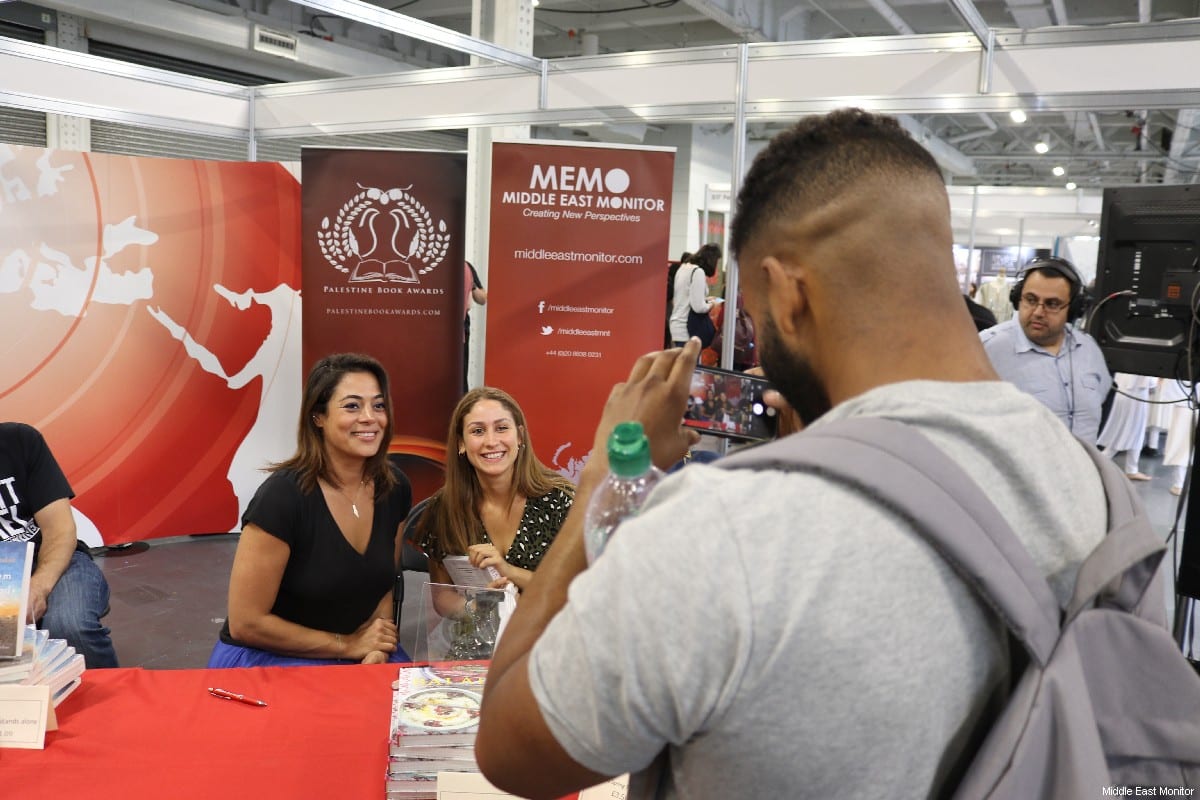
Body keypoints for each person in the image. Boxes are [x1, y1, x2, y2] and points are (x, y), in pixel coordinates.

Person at [475, 109, 1108, 799]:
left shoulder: (727, 531)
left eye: (750, 315)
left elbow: (511, 750)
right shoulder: (1095, 484)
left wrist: (606, 474)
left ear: (786, 292)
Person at [207, 353, 412, 668]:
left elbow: (383, 582)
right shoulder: (282, 496)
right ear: (318, 416)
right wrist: (347, 645)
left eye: (379, 405)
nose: (370, 417)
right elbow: (246, 623)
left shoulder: (395, 487)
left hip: (357, 649)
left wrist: (376, 647)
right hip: (271, 655)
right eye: (352, 406)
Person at [413, 387, 574, 594]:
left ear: (520, 437)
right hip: (477, 626)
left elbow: (578, 590)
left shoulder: (562, 500)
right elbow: (444, 598)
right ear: (461, 443)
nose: (491, 442)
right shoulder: (443, 508)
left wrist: (507, 571)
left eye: (501, 428)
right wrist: (481, 609)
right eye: (478, 431)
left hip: (549, 626)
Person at [0, 422, 119, 668]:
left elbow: (60, 530)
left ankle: (112, 703)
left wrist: (38, 587)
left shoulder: (19, 440)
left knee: (70, 626)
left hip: (53, 561)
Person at [980, 256, 1112, 443]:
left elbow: (1102, 399)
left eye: (1052, 304)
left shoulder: (1088, 349)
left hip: (1082, 470)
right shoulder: (988, 348)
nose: (1038, 312)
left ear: (1073, 309)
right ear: (1017, 299)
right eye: (1031, 300)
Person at [1096, 372, 1156, 480]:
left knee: (1130, 432)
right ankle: (1099, 461)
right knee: (1126, 433)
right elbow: (1150, 381)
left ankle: (1132, 469)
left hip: (1123, 392)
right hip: (1136, 395)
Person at [667, 244, 722, 348]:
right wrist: (712, 304)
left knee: (681, 362)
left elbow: (685, 296)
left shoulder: (683, 268)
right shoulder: (698, 272)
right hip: (687, 329)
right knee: (689, 363)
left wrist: (704, 299)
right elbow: (699, 307)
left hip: (677, 325)